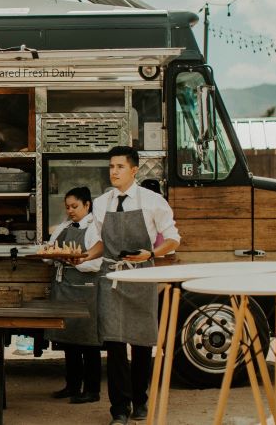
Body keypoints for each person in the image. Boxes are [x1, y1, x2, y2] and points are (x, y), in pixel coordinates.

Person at [90, 146, 180, 425]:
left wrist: (151, 254)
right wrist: (79, 256)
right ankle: (119, 409)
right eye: (111, 167)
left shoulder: (154, 201)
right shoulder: (101, 202)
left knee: (141, 343)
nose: (114, 172)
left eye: (119, 167)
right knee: (114, 343)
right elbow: (99, 243)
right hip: (112, 277)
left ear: (133, 170)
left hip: (141, 275)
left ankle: (140, 399)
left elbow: (173, 240)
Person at [46, 186, 104, 404]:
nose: (70, 211)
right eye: (67, 207)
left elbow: (97, 263)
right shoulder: (63, 227)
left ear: (87, 205)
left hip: (85, 288)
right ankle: (72, 385)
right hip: (64, 286)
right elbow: (50, 251)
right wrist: (53, 256)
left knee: (88, 343)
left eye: (74, 206)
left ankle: (92, 390)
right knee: (68, 340)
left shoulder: (95, 229)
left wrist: (76, 261)